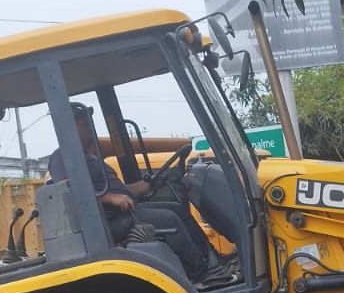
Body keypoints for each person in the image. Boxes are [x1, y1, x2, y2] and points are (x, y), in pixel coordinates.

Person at [48, 103, 217, 280]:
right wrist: (110, 198)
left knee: (178, 208)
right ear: (68, 128)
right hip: (106, 220)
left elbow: (120, 191)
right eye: (84, 123)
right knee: (169, 218)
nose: (90, 127)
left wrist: (146, 185)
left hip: (123, 211)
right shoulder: (61, 157)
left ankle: (211, 260)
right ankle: (200, 273)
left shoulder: (88, 156)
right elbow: (67, 193)